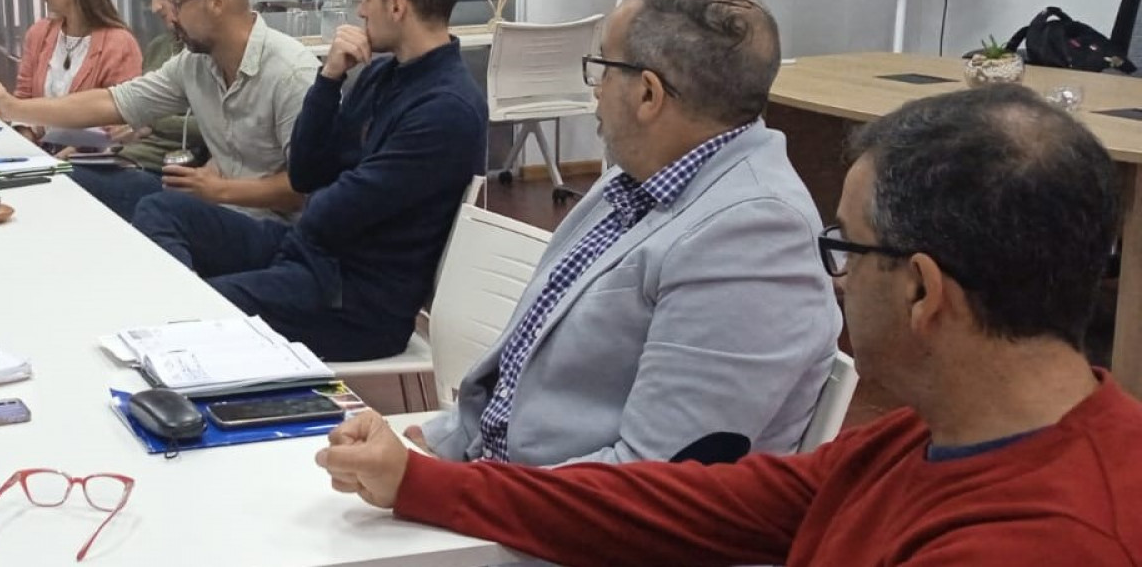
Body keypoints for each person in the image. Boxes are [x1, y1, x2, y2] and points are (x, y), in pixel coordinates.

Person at [317, 84, 1142, 563]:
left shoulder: (1047, 539)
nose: (837, 278)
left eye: (846, 247)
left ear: (924, 292)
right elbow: (682, 503)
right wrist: (422, 481)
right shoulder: (930, 434)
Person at [415, 0, 839, 464]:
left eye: (603, 68)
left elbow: (648, 478)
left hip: (553, 509)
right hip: (497, 480)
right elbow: (511, 385)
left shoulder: (755, 237)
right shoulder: (637, 178)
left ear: (648, 93)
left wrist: (447, 489)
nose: (595, 88)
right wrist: (430, 447)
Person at [127, 0, 486, 362]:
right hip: (312, 256)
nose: (360, 10)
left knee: (199, 308)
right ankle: (176, 331)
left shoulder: (446, 109)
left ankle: (178, 341)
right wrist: (329, 79)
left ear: (396, 6)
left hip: (356, 301)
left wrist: (303, 209)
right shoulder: (381, 74)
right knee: (161, 208)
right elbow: (306, 173)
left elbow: (337, 207)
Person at [0, 0, 321, 223]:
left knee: (156, 212)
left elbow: (305, 187)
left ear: (217, 2)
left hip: (275, 229)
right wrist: (14, 108)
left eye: (177, 2)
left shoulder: (291, 73)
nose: (168, 13)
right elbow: (113, 102)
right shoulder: (194, 63)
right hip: (224, 212)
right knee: (75, 184)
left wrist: (220, 190)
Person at [65, 0, 209, 221]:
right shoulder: (158, 48)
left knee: (68, 183)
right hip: (126, 157)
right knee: (60, 173)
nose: (155, 7)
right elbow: (135, 115)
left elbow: (210, 124)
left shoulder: (205, 54)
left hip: (161, 170)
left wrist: (147, 120)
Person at [13, 0, 142, 145]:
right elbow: (22, 100)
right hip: (41, 153)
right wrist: (27, 139)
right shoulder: (38, 34)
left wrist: (75, 152)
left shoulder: (119, 44)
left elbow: (120, 119)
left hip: (89, 157)